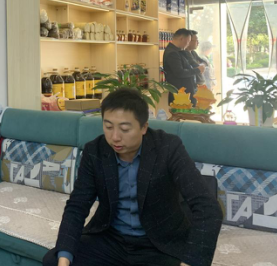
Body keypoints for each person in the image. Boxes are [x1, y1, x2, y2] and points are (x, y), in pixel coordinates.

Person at [43, 88, 223, 266]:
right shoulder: (95, 151)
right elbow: (77, 206)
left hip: (159, 244)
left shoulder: (168, 148)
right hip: (111, 239)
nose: (115, 137)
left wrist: (192, 262)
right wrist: (64, 258)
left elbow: (208, 208)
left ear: (144, 127)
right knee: (53, 260)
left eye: (124, 129)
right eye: (108, 127)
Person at [163, 29, 205, 105]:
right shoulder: (172, 53)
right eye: (188, 41)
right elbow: (180, 72)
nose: (188, 44)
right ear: (181, 39)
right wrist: (197, 70)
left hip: (186, 92)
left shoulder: (179, 51)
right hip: (180, 94)